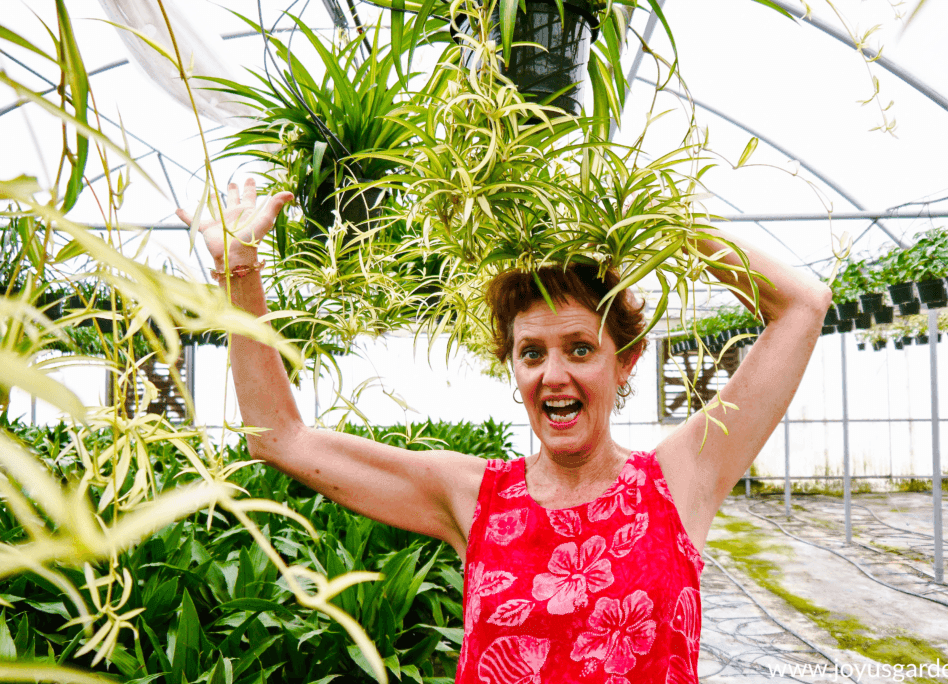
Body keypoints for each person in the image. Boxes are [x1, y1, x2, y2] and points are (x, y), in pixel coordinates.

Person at [178, 178, 832, 683]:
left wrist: (660, 220)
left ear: (624, 361)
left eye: (581, 349)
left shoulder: (681, 478)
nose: (555, 374)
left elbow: (801, 304)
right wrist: (241, 271)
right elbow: (279, 439)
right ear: (512, 367)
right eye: (532, 353)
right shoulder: (474, 497)